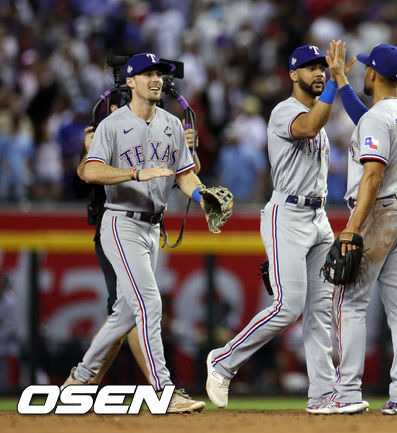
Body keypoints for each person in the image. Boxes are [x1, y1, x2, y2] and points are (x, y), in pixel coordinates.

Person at [63, 52, 208, 414]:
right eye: (147, 74)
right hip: (120, 221)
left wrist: (201, 196)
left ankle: (79, 380)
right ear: (130, 82)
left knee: (126, 312)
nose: (155, 79)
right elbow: (91, 172)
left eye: (159, 73)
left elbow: (184, 174)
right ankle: (164, 390)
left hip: (153, 226)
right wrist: (133, 174)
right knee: (149, 303)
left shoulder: (173, 124)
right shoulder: (112, 125)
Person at [205, 42, 341, 413]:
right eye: (310, 68)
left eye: (321, 68)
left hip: (318, 217)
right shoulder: (285, 111)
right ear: (293, 74)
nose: (318, 72)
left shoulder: (321, 114)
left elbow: (320, 125)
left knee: (320, 313)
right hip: (288, 215)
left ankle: (323, 395)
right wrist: (334, 85)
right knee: (287, 307)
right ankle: (222, 361)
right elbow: (310, 127)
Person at [324, 42, 397, 415]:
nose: (364, 71)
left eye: (366, 67)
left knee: (349, 304)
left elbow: (373, 175)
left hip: (378, 212)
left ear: (374, 73)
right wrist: (341, 81)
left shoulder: (378, 118)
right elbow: (365, 119)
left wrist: (351, 228)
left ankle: (346, 393)